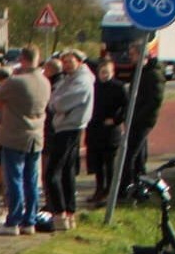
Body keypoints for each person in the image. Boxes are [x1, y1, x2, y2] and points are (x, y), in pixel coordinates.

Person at [0, 44, 52, 235]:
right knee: (31, 180)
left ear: (22, 59)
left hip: (15, 135)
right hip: (36, 135)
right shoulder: (44, 81)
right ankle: (29, 221)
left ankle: (13, 221)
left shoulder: (17, 82)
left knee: (14, 178)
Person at [44, 49, 94, 230]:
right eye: (64, 62)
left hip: (69, 127)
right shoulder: (69, 79)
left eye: (70, 61)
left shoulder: (82, 80)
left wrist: (56, 104)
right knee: (66, 171)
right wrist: (55, 102)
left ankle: (60, 213)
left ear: (79, 62)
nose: (66, 65)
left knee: (52, 172)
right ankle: (68, 212)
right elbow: (55, 98)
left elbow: (59, 102)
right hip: (65, 126)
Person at [121, 50, 167, 193]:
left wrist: (137, 116)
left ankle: (125, 186)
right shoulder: (139, 71)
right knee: (139, 153)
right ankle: (139, 182)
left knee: (130, 152)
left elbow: (155, 100)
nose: (130, 57)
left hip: (144, 119)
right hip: (136, 117)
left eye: (133, 54)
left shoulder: (153, 74)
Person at [85, 56, 127, 205]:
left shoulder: (119, 87)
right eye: (102, 72)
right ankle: (99, 189)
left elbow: (127, 107)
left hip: (110, 131)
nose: (104, 75)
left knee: (109, 163)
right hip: (94, 128)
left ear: (112, 72)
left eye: (107, 72)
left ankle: (110, 190)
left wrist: (116, 120)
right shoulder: (94, 86)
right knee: (97, 163)